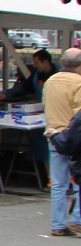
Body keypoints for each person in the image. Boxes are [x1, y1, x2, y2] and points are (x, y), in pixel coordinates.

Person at [43, 47, 81, 236]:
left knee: (58, 184)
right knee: (79, 181)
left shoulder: (50, 82)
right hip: (75, 139)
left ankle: (58, 224)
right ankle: (77, 218)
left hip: (54, 135)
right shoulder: (79, 83)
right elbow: (79, 116)